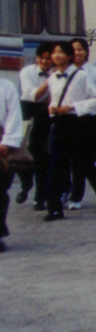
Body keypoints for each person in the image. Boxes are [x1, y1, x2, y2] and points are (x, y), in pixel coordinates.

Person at [44, 40, 96, 218]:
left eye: (61, 53)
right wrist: (53, 109)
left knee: (83, 164)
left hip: (80, 124)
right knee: (56, 164)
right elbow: (54, 99)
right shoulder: (52, 77)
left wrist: (72, 106)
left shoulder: (82, 75)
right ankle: (54, 207)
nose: (56, 56)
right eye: (54, 53)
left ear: (69, 56)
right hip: (59, 124)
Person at [17, 44, 51, 209]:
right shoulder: (27, 72)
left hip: (46, 115)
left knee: (41, 158)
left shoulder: (60, 73)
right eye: (41, 58)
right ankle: (25, 184)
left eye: (48, 58)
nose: (44, 61)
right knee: (21, 153)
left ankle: (40, 197)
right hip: (28, 112)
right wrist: (50, 82)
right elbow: (34, 95)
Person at [0, 75, 22, 252]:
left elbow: (14, 115)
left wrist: (7, 142)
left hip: (2, 143)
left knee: (0, 189)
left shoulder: (7, 86)